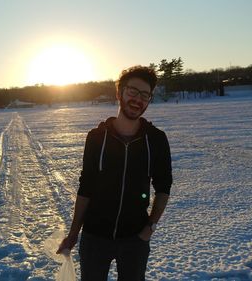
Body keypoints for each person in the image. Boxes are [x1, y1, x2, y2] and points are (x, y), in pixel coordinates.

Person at [56, 65, 173, 280]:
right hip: (94, 239)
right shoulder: (96, 137)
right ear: (119, 92)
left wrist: (149, 229)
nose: (138, 99)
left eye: (145, 95)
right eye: (133, 91)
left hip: (134, 240)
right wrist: (74, 233)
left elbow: (164, 187)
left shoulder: (156, 140)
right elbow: (86, 187)